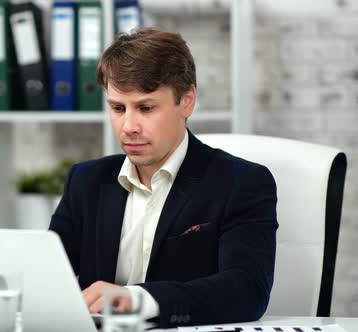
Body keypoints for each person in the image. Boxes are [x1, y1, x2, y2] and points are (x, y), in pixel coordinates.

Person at [48, 28, 278, 328]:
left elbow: (247, 290)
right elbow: (49, 276)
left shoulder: (242, 183)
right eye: (118, 108)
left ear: (187, 101)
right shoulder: (86, 181)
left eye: (145, 108)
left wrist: (139, 300)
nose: (128, 126)